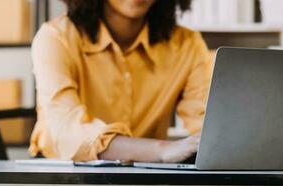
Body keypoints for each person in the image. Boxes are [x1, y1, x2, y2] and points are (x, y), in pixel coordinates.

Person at [29, 0, 212, 162]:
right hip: (64, 174)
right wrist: (162, 149)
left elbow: (207, 121)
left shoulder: (187, 44)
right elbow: (68, 132)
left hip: (145, 178)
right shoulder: (56, 37)